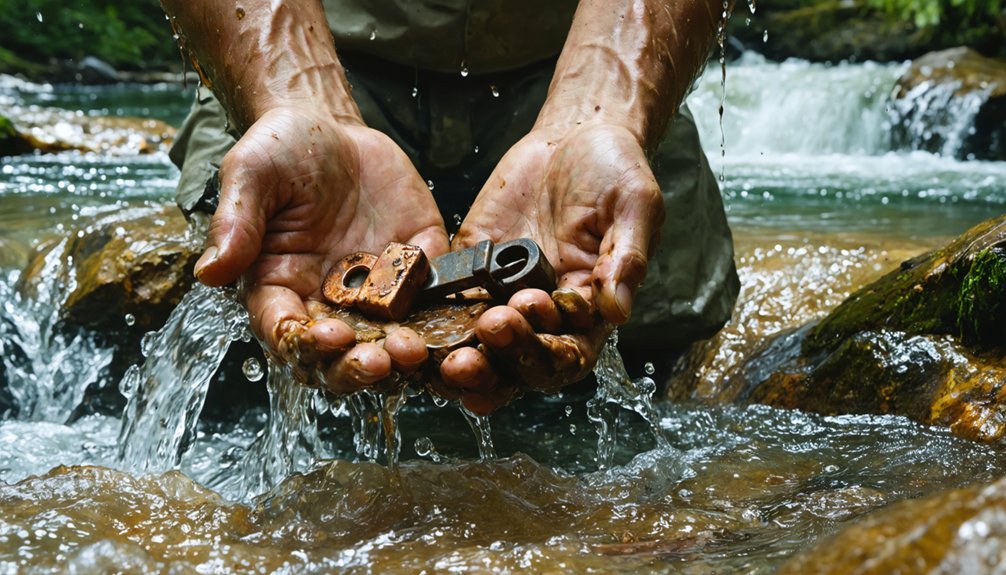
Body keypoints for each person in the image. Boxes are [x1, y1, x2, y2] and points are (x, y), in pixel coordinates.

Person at [163, 0, 739, 415]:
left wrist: (602, 113)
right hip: (306, 62)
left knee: (641, 339)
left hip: (598, 66)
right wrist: (295, 98)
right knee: (247, 357)